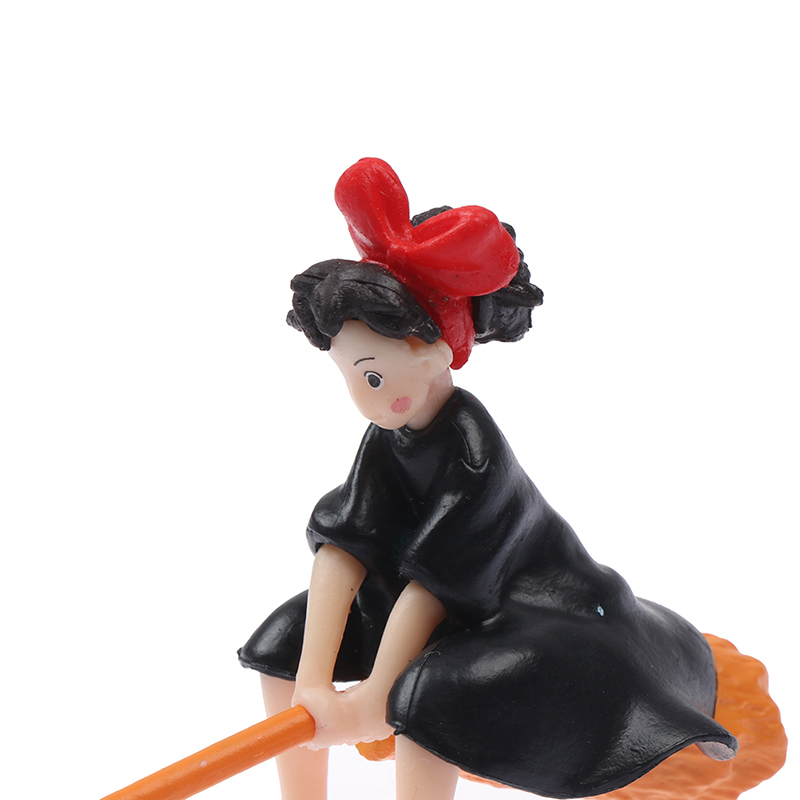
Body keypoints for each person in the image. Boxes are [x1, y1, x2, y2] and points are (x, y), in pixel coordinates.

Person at [238, 158, 737, 800]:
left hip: (531, 608)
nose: (364, 399)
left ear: (433, 352)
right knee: (281, 638)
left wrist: (374, 695)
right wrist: (312, 684)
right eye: (351, 379)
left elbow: (437, 580)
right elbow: (344, 548)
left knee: (423, 696)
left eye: (373, 376)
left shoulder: (472, 450)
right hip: (439, 601)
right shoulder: (389, 435)